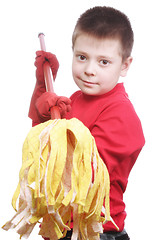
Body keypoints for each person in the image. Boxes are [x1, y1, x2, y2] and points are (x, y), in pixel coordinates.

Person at [29, 6, 145, 240]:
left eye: (103, 62)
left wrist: (54, 124)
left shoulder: (121, 113)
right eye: (82, 57)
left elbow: (80, 176)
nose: (89, 70)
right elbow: (41, 148)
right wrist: (41, 91)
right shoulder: (74, 100)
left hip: (96, 232)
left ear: (124, 65)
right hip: (65, 228)